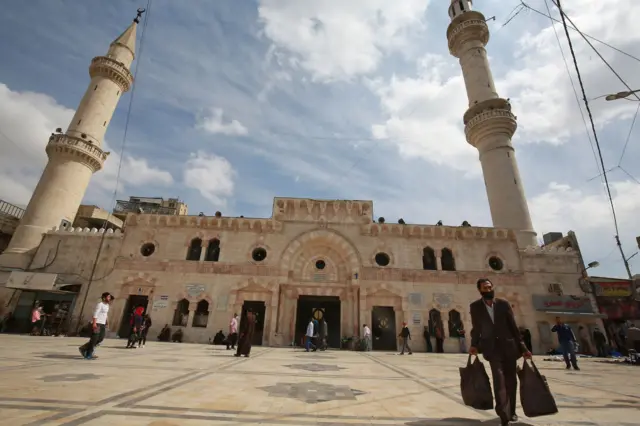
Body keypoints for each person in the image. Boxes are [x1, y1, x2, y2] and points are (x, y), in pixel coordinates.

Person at [469, 278, 532, 426]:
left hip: (509, 347)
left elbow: (513, 327)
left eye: (489, 287)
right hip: (491, 349)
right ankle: (503, 413)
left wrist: (523, 348)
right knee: (499, 381)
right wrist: (474, 345)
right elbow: (476, 328)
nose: (488, 290)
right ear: (480, 290)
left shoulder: (503, 304)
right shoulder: (475, 307)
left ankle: (512, 411)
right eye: (485, 288)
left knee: (511, 381)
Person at [79, 292, 112, 360]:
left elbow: (106, 315)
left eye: (110, 297)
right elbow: (95, 314)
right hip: (97, 324)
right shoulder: (100, 304)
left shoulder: (107, 305)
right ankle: (89, 354)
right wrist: (94, 323)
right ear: (104, 298)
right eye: (108, 297)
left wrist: (107, 322)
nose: (109, 298)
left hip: (102, 324)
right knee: (94, 339)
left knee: (100, 338)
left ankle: (84, 348)